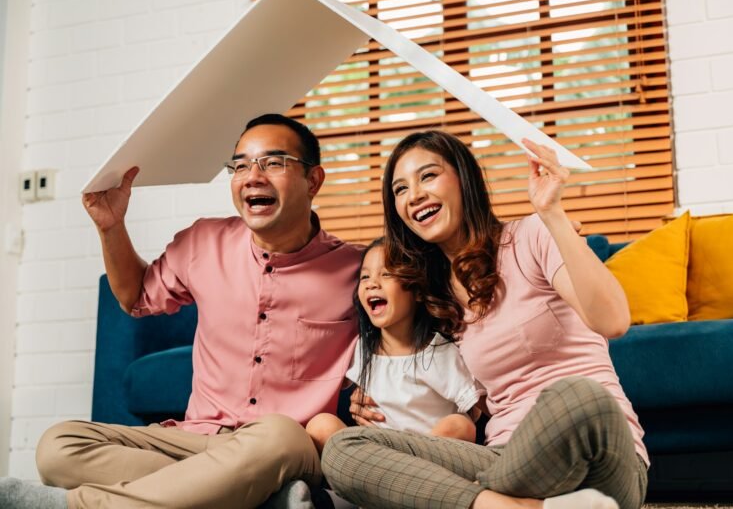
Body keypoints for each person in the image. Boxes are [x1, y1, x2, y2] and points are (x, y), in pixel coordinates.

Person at [0, 114, 362, 509]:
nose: (252, 176)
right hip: (194, 439)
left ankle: (83, 505)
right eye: (240, 165)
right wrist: (111, 227)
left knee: (278, 436)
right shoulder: (203, 242)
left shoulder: (359, 271)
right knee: (58, 446)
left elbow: (406, 346)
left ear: (314, 180)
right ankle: (261, 496)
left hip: (287, 444)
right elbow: (135, 297)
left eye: (273, 163)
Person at [322, 131, 649, 509]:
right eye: (400, 189)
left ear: (465, 180)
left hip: (597, 452)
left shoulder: (531, 236)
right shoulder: (433, 296)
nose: (414, 195)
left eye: (428, 176)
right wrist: (375, 396)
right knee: (343, 450)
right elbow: (449, 392)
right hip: (506, 461)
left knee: (578, 397)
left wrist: (552, 214)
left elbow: (613, 321)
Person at [306, 238, 485, 452]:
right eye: (365, 276)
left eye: (386, 274)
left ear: (418, 291)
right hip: (377, 454)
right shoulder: (360, 349)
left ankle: (404, 475)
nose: (372, 283)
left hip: (428, 455)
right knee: (321, 424)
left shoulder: (439, 352)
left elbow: (475, 411)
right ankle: (376, 476)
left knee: (460, 424)